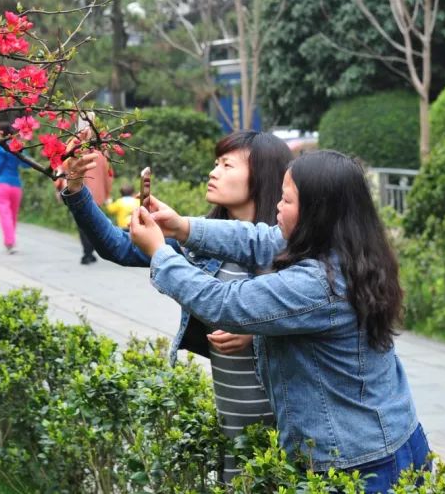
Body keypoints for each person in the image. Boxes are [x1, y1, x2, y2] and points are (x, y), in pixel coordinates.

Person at [131, 150, 428, 492]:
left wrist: (160, 253)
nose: (277, 207)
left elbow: (226, 304)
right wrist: (183, 227)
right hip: (389, 439)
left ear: (316, 212)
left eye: (286, 200)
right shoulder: (347, 247)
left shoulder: (320, 283)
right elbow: (258, 239)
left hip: (360, 465)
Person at [60, 131, 292, 483]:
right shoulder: (200, 240)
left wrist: (257, 329)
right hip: (232, 419)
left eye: (226, 165)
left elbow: (312, 319)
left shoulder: (289, 249)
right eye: (215, 163)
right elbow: (117, 248)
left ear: (262, 175)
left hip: (283, 423)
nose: (213, 172)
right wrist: (77, 190)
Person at [0, 121, 28, 254]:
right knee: (13, 215)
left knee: (5, 215)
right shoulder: (16, 147)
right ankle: (11, 241)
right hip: (16, 185)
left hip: (1, 185)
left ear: (0, 133)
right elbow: (27, 164)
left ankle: (10, 243)